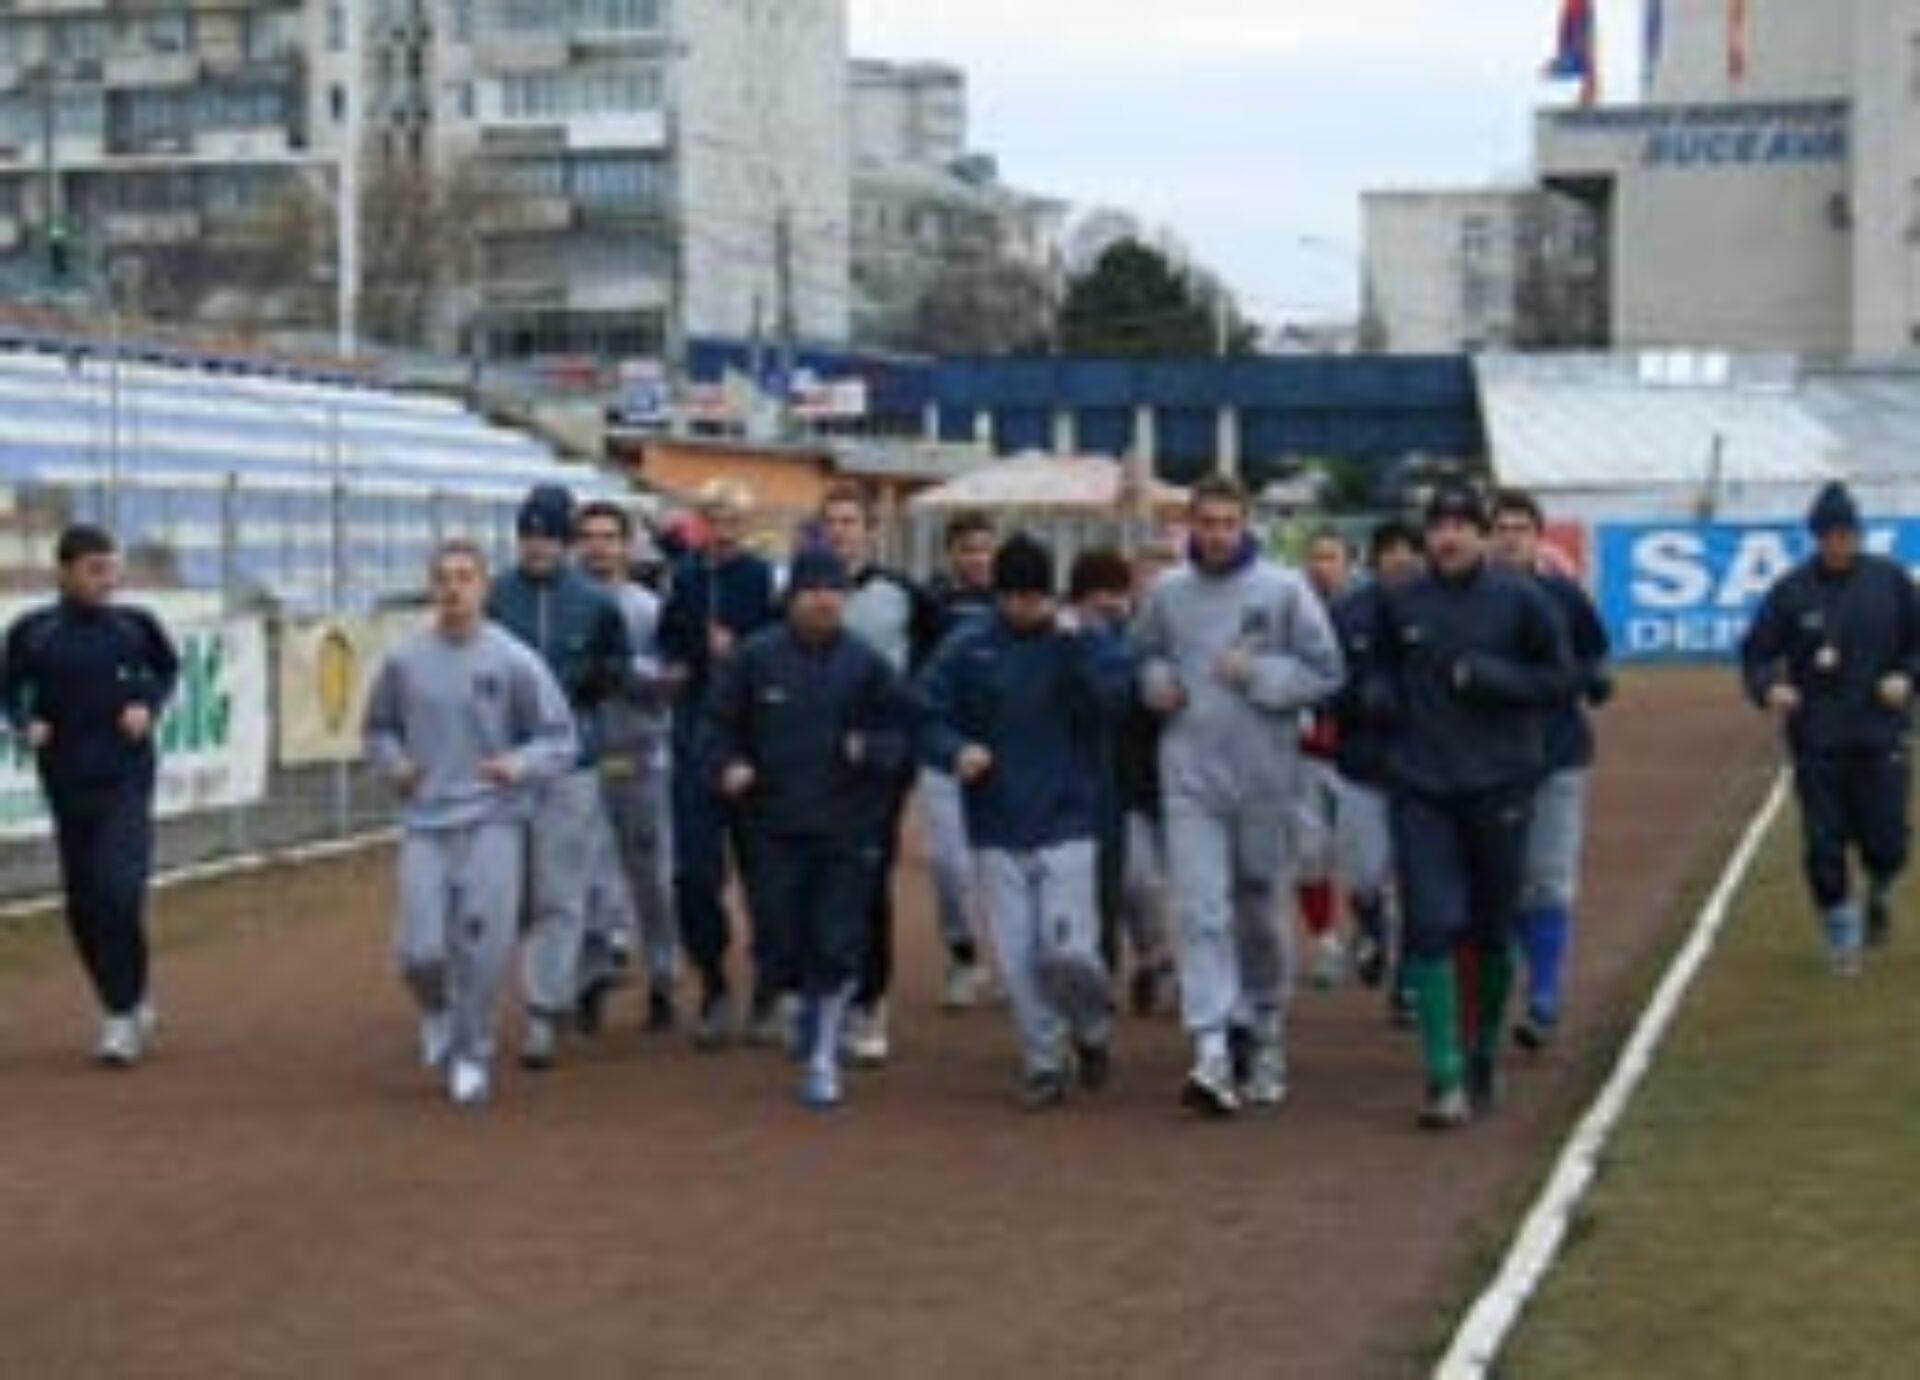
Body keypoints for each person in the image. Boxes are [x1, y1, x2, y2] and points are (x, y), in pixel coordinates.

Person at [1365, 482, 1576, 1129]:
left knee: (1489, 928)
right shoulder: (1400, 601)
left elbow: (1561, 678)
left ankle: (1483, 1049)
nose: (1449, 537)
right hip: (1421, 785)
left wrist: (1493, 676)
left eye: (1462, 525)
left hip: (1500, 783)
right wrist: (1380, 698)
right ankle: (1444, 1075)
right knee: (1430, 922)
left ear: (1483, 535)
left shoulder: (1522, 599)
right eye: (1439, 526)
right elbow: (1375, 668)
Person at [1134, 476, 1345, 1116]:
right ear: (1191, 525)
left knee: (1258, 905)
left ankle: (1265, 1027)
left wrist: (1258, 674)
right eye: (1207, 523)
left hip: (1265, 774)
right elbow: (1142, 655)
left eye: (1229, 523)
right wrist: (1156, 683)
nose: (1218, 535)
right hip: (1189, 772)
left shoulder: (1284, 590)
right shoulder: (1168, 592)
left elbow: (1327, 671)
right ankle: (1211, 1048)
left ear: (1246, 524)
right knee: (1200, 909)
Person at [921, 534, 1135, 1108]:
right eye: (1013, 597)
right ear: (998, 596)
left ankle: (1091, 1028)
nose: (1024, 608)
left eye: (1035, 597)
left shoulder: (1080, 639)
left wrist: (1080, 647)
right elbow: (926, 711)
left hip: (1069, 820)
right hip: (996, 822)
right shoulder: (967, 646)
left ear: (1051, 594)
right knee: (1017, 959)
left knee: (1068, 952)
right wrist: (954, 750)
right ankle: (1043, 1061)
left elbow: (1117, 695)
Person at [363, 541, 578, 1105]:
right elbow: (378, 728)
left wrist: (518, 764)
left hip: (493, 820)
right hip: (426, 820)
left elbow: (560, 739)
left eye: (464, 577)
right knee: (419, 951)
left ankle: (472, 1053)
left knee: (482, 945)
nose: (453, 589)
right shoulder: (404, 661)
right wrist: (395, 765)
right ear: (431, 588)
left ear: (484, 587)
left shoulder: (514, 660)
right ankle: (436, 1008)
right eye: (443, 578)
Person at [703, 548, 916, 1108]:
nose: (824, 601)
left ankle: (824, 1053)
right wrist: (728, 765)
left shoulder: (867, 665)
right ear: (791, 597)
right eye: (812, 591)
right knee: (779, 933)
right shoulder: (755, 659)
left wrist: (872, 749)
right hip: (772, 823)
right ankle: (798, 1003)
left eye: (833, 591)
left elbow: (905, 734)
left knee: (838, 934)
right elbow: (717, 726)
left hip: (848, 824)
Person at [0, 524, 178, 1066]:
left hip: (126, 780)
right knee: (83, 906)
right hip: (66, 782)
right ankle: (128, 998)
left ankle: (119, 1018)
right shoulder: (34, 632)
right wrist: (24, 722)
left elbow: (167, 669)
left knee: (118, 892)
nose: (107, 579)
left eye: (111, 568)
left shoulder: (135, 625)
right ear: (65, 572)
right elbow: (8, 689)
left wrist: (148, 705)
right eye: (95, 570)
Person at [1740, 480, 1920, 974]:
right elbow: (1757, 653)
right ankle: (1841, 931)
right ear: (1816, 537)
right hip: (1816, 738)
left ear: (1858, 534)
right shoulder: (1791, 591)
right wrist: (1769, 688)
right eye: (1828, 535)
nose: (1838, 543)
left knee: (1887, 842)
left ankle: (1879, 890)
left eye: (1846, 534)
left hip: (1881, 733)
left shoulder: (1891, 582)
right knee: (1823, 842)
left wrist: (1907, 677)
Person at [486, 483, 634, 1070]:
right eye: (529, 536)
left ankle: (544, 1009)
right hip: (504, 766)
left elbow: (618, 667)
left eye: (548, 536)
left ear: (565, 542)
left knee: (560, 889)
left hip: (571, 765)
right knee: (504, 892)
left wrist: (592, 691)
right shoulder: (496, 596)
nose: (538, 546)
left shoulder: (594, 602)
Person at [818, 480, 940, 1065]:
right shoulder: (800, 592)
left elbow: (936, 661)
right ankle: (822, 993)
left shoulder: (902, 594)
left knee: (867, 876)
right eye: (831, 522)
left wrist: (904, 721)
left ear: (870, 531)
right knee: (814, 874)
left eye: (850, 522)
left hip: (880, 757)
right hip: (811, 756)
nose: (840, 532)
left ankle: (870, 999)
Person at [1489, 489, 1614, 1047]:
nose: (1510, 538)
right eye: (1501, 528)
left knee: (1548, 877)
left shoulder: (1563, 596)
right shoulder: (1471, 601)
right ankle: (1526, 973)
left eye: (1521, 528)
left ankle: (1543, 992)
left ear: (1539, 537)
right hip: (1489, 761)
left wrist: (1593, 679)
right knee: (1507, 881)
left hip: (1558, 753)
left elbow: (1594, 651)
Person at [658, 479, 779, 1047]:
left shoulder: (762, 578)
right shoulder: (684, 578)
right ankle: (712, 981)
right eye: (713, 517)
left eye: (732, 518)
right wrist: (680, 662)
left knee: (765, 873)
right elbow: (668, 643)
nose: (722, 529)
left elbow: (779, 649)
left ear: (747, 524)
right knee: (694, 874)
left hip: (753, 744)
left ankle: (770, 986)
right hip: (694, 743)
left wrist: (741, 651)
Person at [576, 499, 679, 1034]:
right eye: (590, 537)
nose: (599, 547)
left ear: (626, 545)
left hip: (640, 753)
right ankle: (590, 978)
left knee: (651, 874)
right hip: (581, 760)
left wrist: (627, 673)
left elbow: (671, 677)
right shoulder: (567, 604)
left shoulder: (647, 609)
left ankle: (662, 976)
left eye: (608, 537)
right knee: (582, 873)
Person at [1327, 519, 1425, 1023]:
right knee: (1365, 875)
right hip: (1362, 767)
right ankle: (1372, 927)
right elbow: (1323, 681)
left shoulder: (1440, 609)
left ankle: (1408, 984)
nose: (1401, 558)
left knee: (1420, 882)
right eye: (1391, 550)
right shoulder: (1347, 614)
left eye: (1410, 549)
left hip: (1425, 773)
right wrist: (1355, 699)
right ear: (1375, 557)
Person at [920, 510, 999, 1009]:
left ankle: (1015, 958)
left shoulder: (1014, 601)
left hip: (1004, 751)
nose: (978, 559)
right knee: (948, 862)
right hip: (944, 749)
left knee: (1006, 865)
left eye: (985, 549)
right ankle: (963, 954)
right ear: (950, 554)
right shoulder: (928, 603)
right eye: (968, 550)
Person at [1296, 527, 1358, 990]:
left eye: (1331, 557)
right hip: (1303, 755)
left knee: (1367, 861)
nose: (1322, 566)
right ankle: (1325, 942)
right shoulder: (1289, 615)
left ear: (1349, 565)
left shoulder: (1370, 612)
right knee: (1308, 854)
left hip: (1358, 755)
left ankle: (1373, 926)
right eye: (1315, 557)